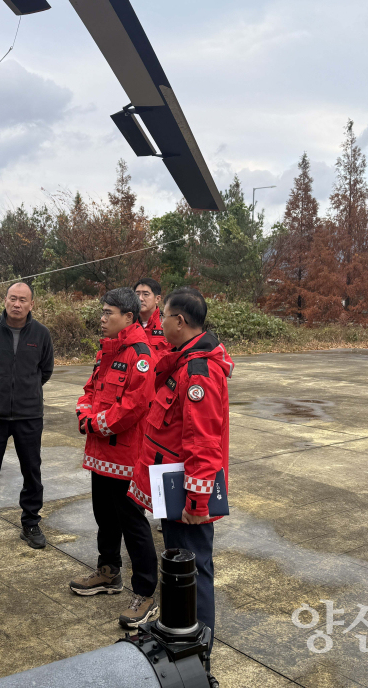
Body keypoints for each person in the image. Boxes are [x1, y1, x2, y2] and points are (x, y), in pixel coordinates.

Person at [128, 287, 232, 683]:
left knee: (193, 570)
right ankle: (181, 639)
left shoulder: (198, 372)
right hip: (170, 481)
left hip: (184, 490)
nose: (159, 324)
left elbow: (203, 443)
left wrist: (196, 498)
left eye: (164, 317)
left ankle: (199, 656)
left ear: (181, 322)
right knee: (178, 566)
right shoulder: (184, 362)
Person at [70, 288, 159, 628]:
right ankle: (108, 572)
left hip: (125, 455)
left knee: (132, 524)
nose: (102, 318)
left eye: (109, 313)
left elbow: (135, 405)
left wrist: (97, 423)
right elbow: (90, 390)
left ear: (129, 317)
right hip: (100, 452)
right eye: (102, 312)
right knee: (104, 516)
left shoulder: (140, 354)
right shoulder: (107, 351)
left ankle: (146, 592)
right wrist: (85, 413)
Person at [0, 282, 54, 553]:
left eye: (22, 300)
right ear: (4, 300)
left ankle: (30, 523)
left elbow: (45, 370)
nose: (16, 304)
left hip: (28, 415)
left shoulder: (41, 334)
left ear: (31, 305)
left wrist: (25, 391)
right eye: (12, 298)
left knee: (32, 472)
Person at [134, 278, 172, 360]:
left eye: (145, 294)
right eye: (137, 294)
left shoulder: (168, 324)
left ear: (157, 299)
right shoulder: (127, 323)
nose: (140, 298)